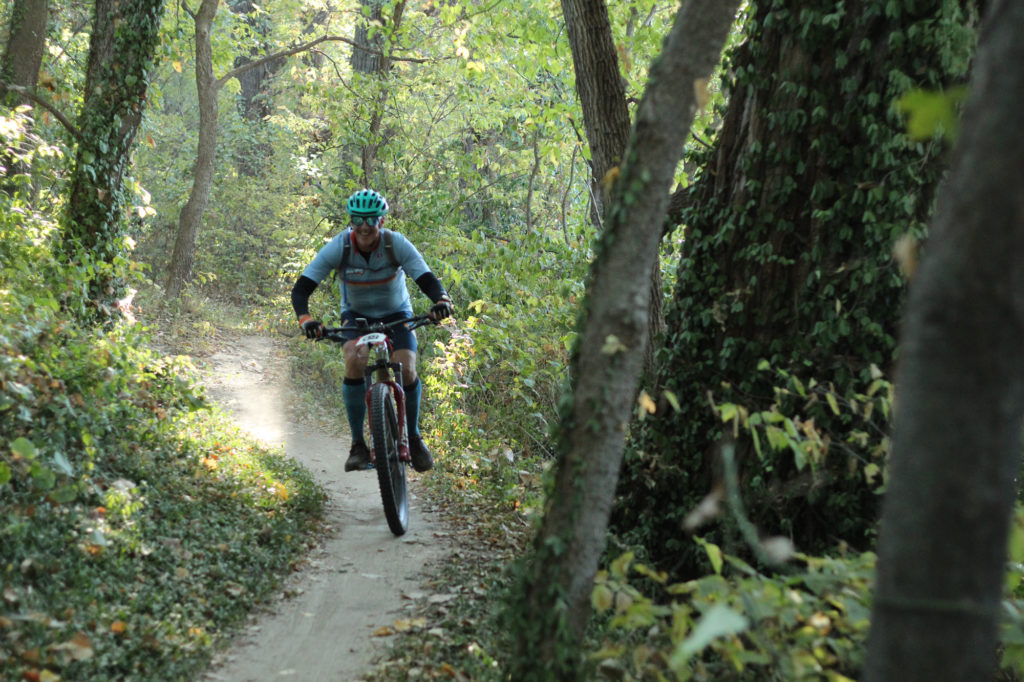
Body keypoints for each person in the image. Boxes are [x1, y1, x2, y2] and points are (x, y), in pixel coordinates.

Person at [291, 188, 454, 473]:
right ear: (351, 220)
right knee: (354, 359)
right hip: (356, 317)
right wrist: (306, 320)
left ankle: (414, 438)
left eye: (371, 219)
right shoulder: (340, 247)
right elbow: (302, 288)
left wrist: (441, 301)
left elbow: (426, 278)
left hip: (397, 313)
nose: (364, 226)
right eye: (358, 219)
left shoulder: (395, 243)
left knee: (406, 366)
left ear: (382, 220)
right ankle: (358, 445)